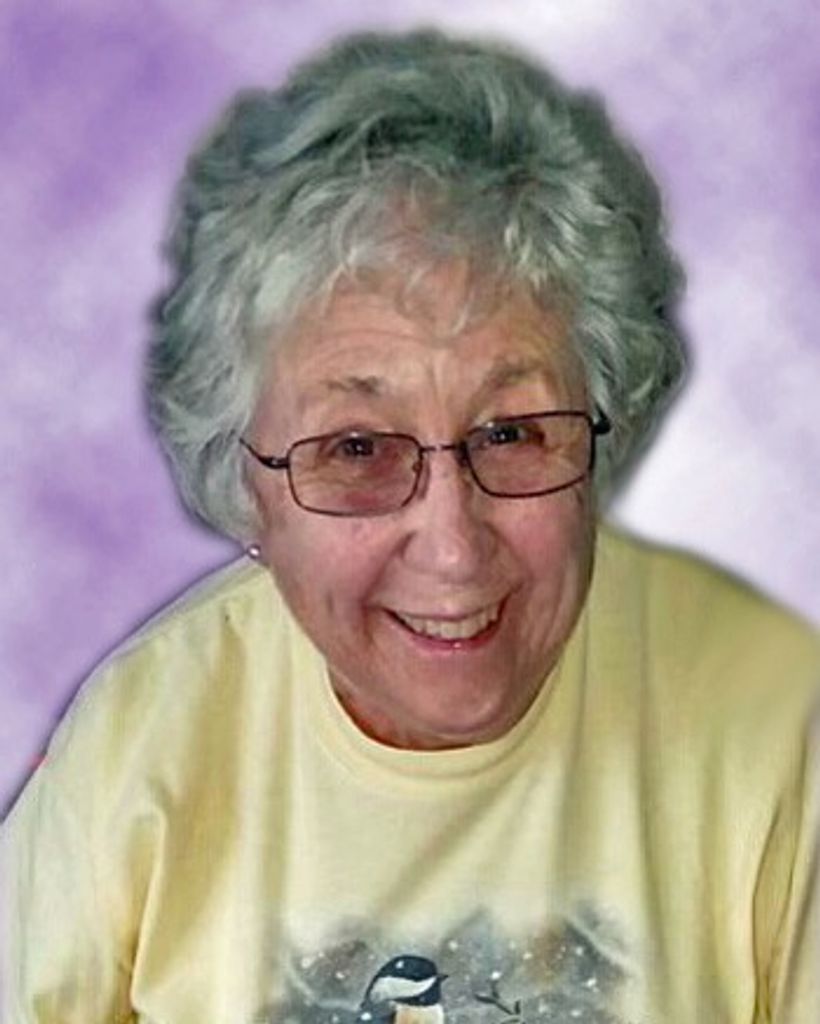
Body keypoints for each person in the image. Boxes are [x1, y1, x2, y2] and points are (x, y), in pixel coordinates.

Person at [2, 28, 818, 1024]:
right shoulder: (140, 742)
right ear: (247, 483)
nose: (452, 546)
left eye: (512, 432)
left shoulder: (782, 721)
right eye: (356, 448)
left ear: (602, 424)